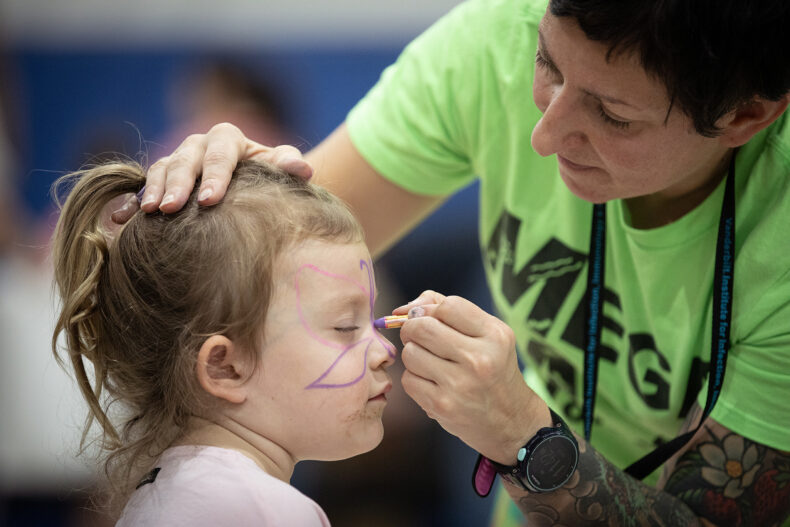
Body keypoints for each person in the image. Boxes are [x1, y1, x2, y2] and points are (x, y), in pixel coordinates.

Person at [122, 0, 790, 524]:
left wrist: (524, 436)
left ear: (747, 115)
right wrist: (209, 195)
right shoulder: (491, 40)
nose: (544, 135)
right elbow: (246, 261)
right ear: (222, 362)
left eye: (612, 115)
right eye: (548, 68)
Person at [51, 159, 396, 525]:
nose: (386, 351)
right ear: (225, 367)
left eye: (371, 321)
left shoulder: (167, 493)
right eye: (345, 327)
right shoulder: (263, 511)